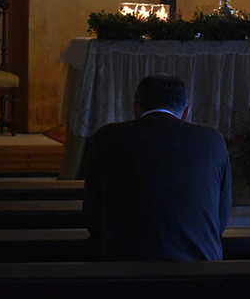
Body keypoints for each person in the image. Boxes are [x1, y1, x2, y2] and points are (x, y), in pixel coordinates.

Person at [83, 73, 231, 261]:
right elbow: (220, 220)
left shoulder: (107, 137)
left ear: (136, 109)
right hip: (199, 272)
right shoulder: (212, 140)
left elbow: (92, 217)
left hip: (123, 273)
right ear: (185, 113)